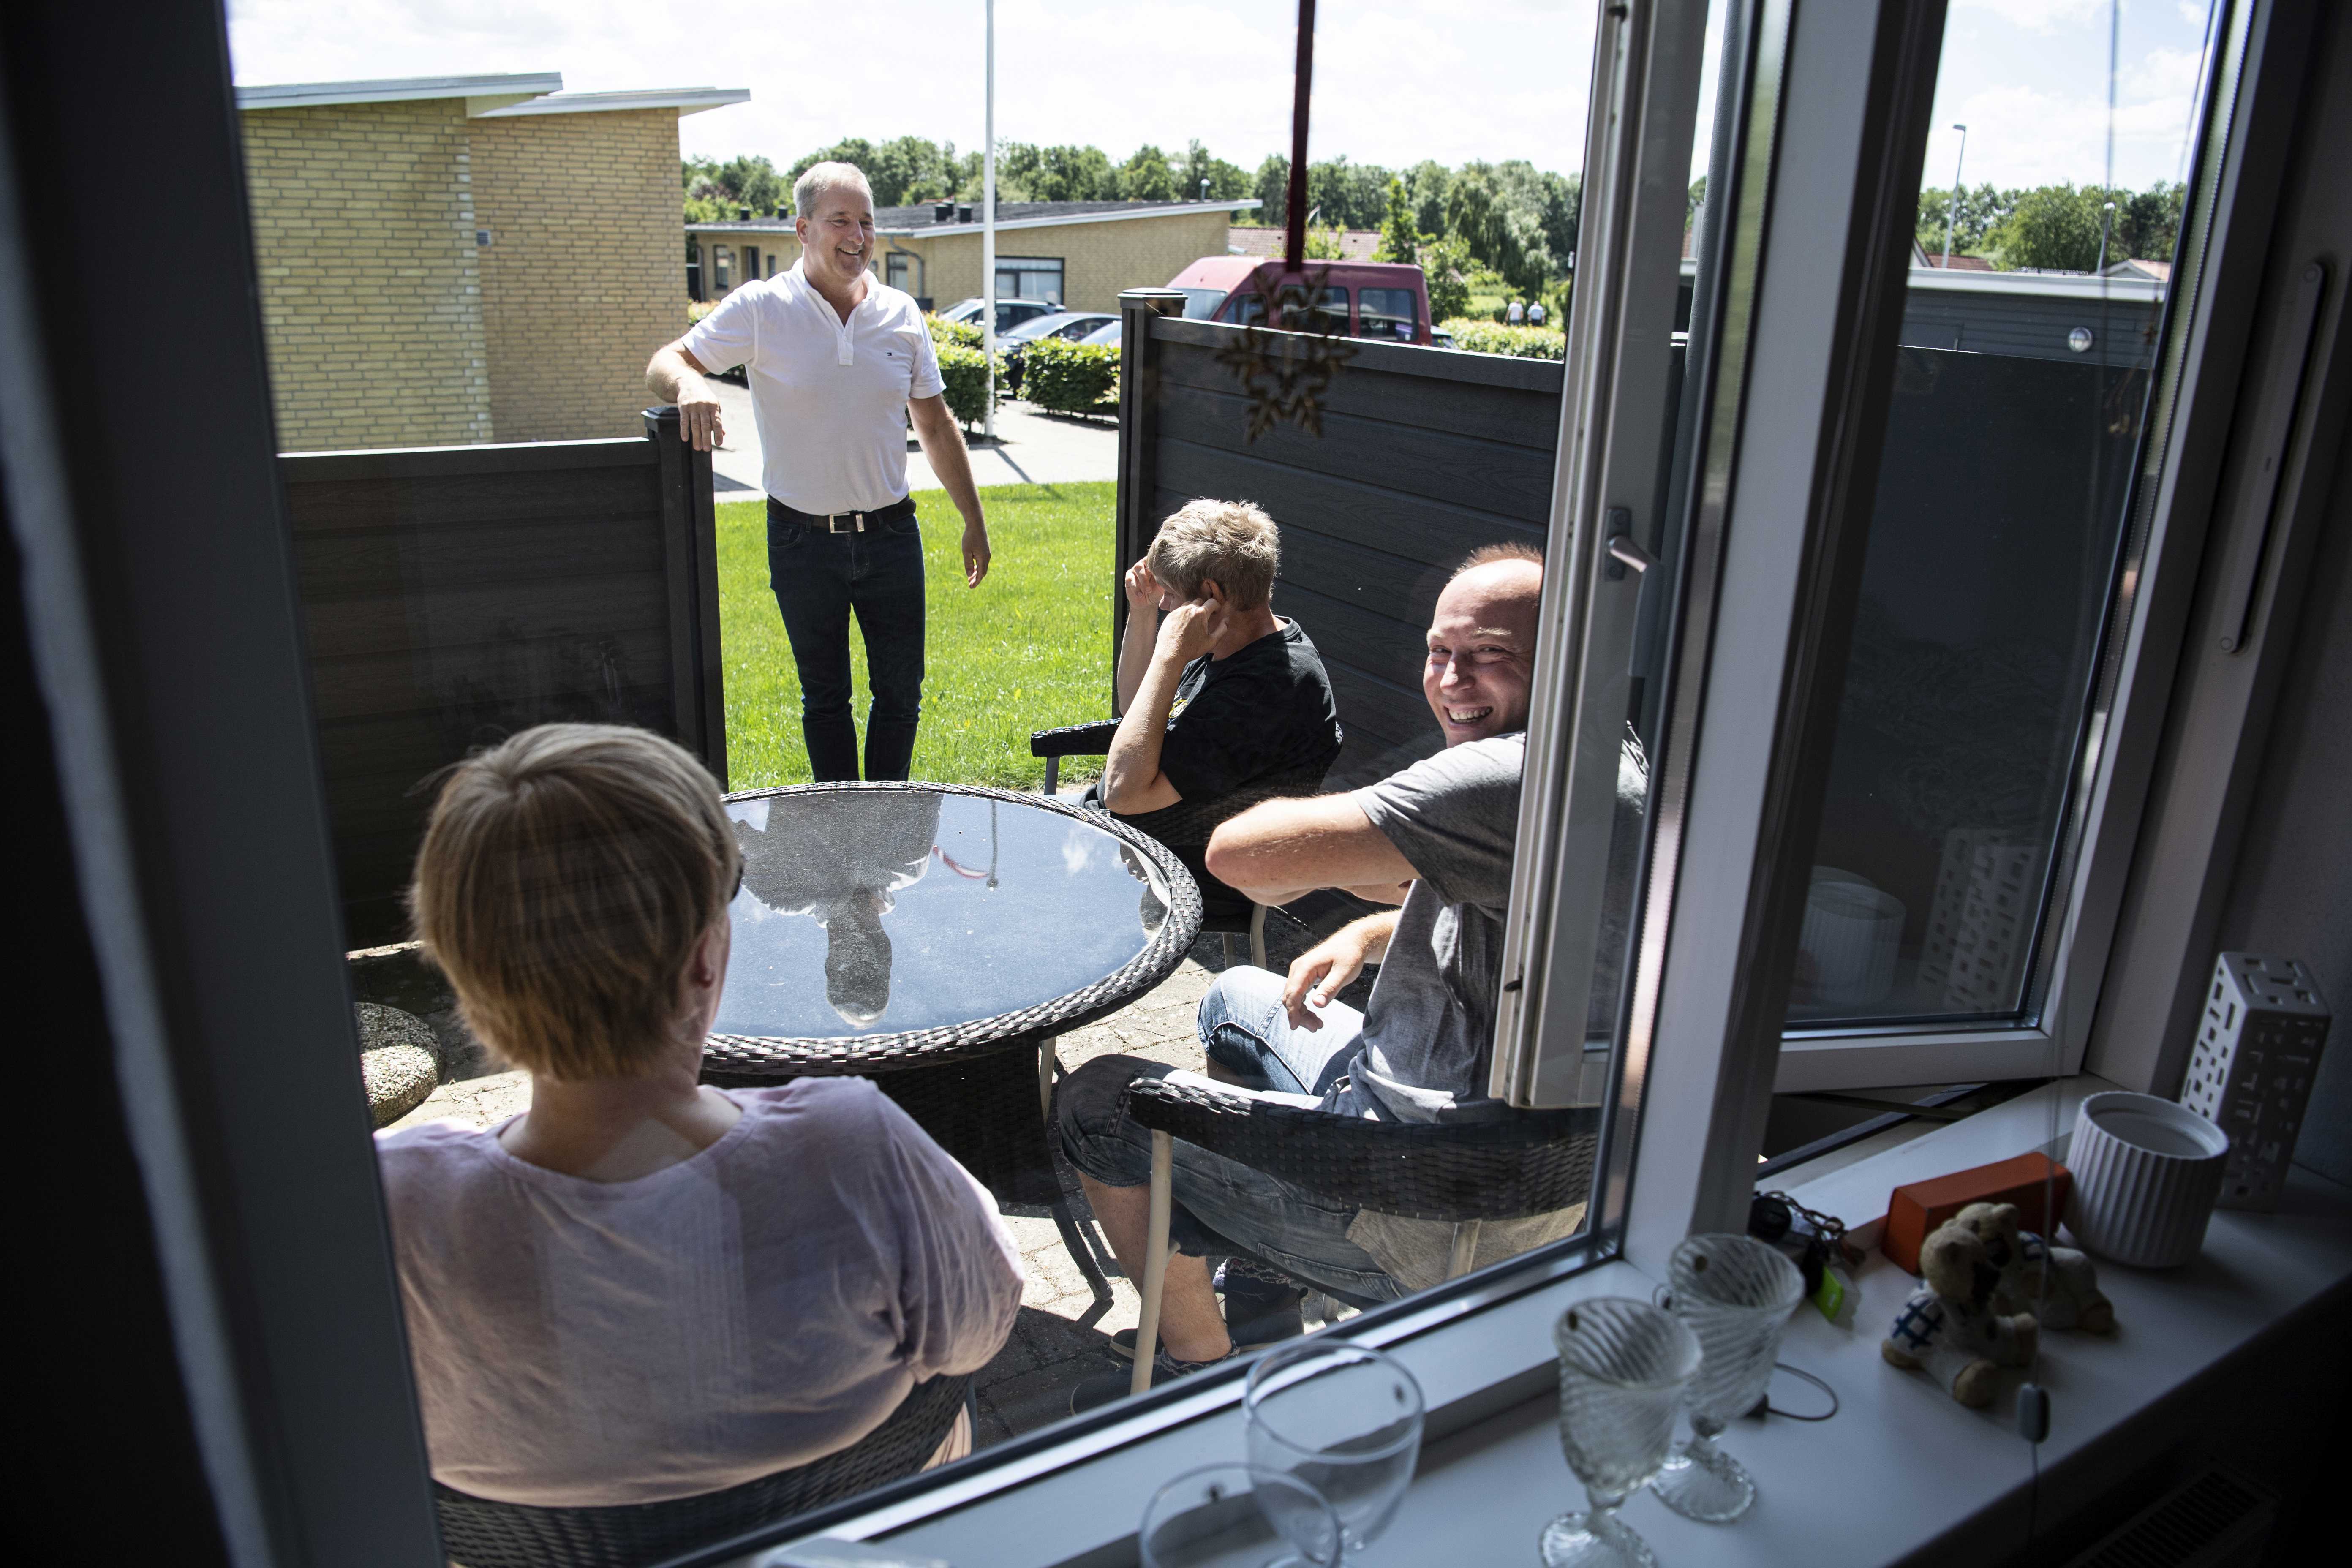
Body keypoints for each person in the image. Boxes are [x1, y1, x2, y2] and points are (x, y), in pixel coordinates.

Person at [376, 724, 1021, 1505]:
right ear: (705, 960)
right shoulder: (847, 1153)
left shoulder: (399, 1211)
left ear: (460, 971)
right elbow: (979, 1326)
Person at [1057, 543, 1589, 1412]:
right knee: (1234, 997)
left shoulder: (1508, 773)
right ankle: (1262, 1284)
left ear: (1568, 656)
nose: (1453, 680)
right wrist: (1381, 928)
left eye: (1493, 653)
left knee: (1093, 1103)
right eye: (1440, 651)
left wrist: (1167, 656)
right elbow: (1517, 899)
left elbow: (1241, 856)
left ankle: (1197, 1360)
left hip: (1424, 1200)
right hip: (1436, 1106)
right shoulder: (1612, 757)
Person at [647, 162, 992, 783]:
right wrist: (691, 384)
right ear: (803, 229)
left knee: (901, 698)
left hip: (891, 537)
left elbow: (937, 426)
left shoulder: (900, 313)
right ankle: (839, 841)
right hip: (801, 541)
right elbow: (665, 360)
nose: (858, 235)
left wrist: (974, 518)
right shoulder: (761, 308)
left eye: (866, 222)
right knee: (826, 700)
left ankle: (884, 832)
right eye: (841, 221)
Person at [1094, 500, 1343, 909]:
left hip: (1160, 864)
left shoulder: (1268, 688)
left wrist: (1170, 654)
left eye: (1170, 596)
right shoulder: (1236, 641)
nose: (1165, 607)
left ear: (1211, 594)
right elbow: (1136, 710)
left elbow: (1123, 795)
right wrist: (1142, 615)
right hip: (1128, 837)